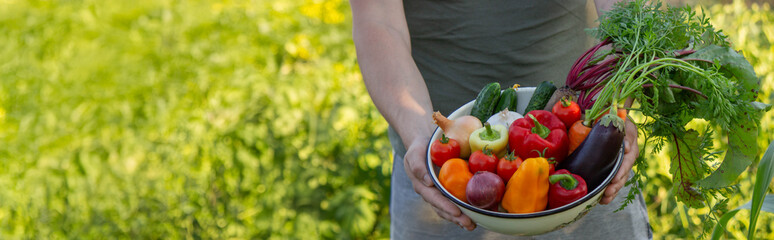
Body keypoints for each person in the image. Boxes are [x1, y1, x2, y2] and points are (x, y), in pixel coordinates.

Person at [350, 0, 652, 239]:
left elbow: (625, 11)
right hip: (440, 179)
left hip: (589, 164)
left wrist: (612, 110)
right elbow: (377, 19)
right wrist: (419, 136)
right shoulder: (434, 160)